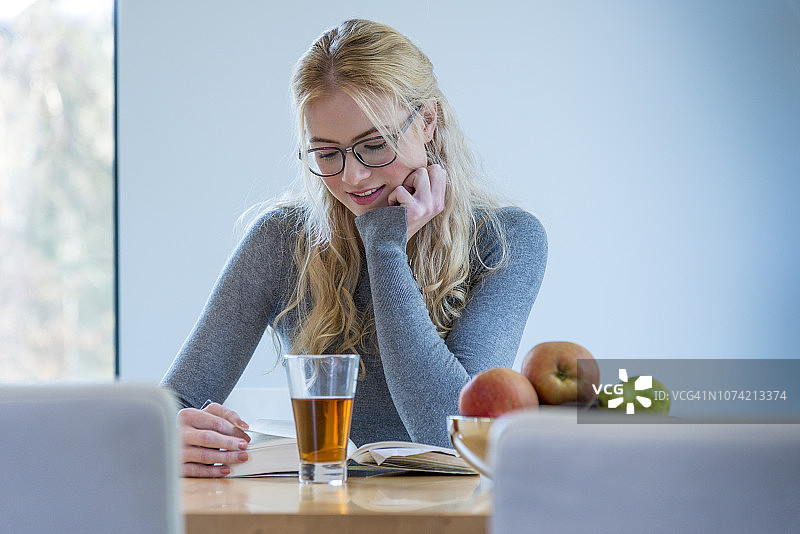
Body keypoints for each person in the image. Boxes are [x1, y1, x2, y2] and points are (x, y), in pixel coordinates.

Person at [161, 19, 547, 478]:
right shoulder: (281, 241)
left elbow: (448, 436)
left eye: (374, 145)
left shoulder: (507, 240)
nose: (352, 177)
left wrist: (385, 248)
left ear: (427, 120)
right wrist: (176, 433)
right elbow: (172, 406)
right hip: (323, 511)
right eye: (327, 153)